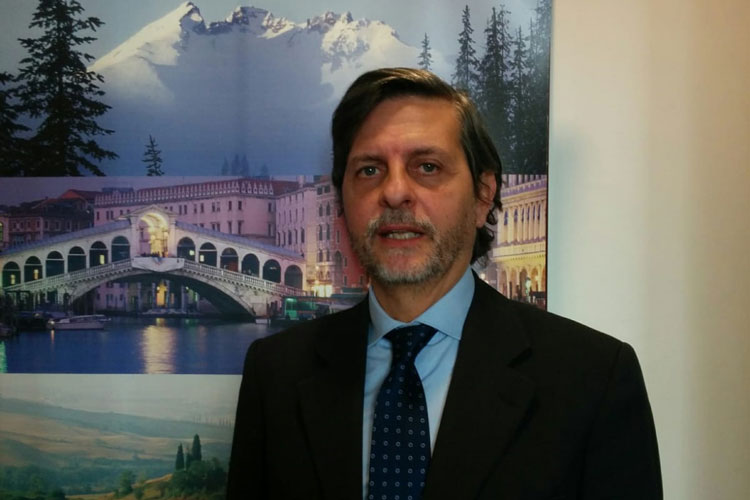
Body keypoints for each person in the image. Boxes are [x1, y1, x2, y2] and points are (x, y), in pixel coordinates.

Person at [227, 68, 662, 499]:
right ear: (343, 200)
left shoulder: (593, 380)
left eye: (427, 167)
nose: (395, 192)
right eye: (369, 170)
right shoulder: (276, 373)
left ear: (483, 195)